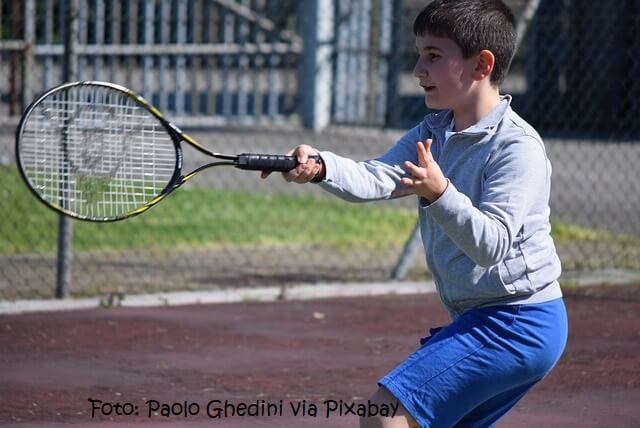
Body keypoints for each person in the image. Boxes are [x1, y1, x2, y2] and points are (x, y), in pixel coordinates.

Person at [263, 0, 568, 426]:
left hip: (517, 321)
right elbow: (376, 176)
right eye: (419, 53)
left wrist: (440, 192)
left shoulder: (517, 148)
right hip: (487, 318)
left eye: (434, 56)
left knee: (384, 414)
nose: (418, 69)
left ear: (481, 65)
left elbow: (493, 245)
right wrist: (322, 166)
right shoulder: (434, 131)